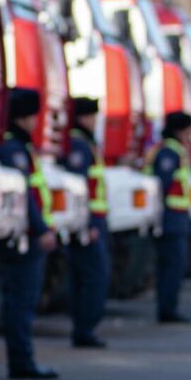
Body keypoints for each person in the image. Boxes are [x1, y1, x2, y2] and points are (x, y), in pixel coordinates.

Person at [0, 88, 60, 378]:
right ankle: (22, 362)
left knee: (23, 300)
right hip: (25, 238)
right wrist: (40, 229)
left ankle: (23, 359)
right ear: (26, 117)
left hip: (28, 235)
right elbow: (25, 196)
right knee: (21, 300)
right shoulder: (13, 150)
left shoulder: (18, 148)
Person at [63, 96, 112, 348]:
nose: (95, 122)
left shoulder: (86, 144)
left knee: (89, 277)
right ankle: (84, 330)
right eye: (92, 116)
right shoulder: (79, 145)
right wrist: (89, 223)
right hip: (89, 225)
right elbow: (80, 189)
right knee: (94, 277)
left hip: (94, 222)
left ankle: (84, 329)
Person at [149, 111, 191, 323]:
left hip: (177, 219)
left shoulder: (176, 151)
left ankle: (169, 308)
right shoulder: (169, 153)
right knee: (171, 267)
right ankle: (167, 310)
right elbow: (163, 185)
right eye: (189, 131)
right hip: (170, 221)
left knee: (175, 267)